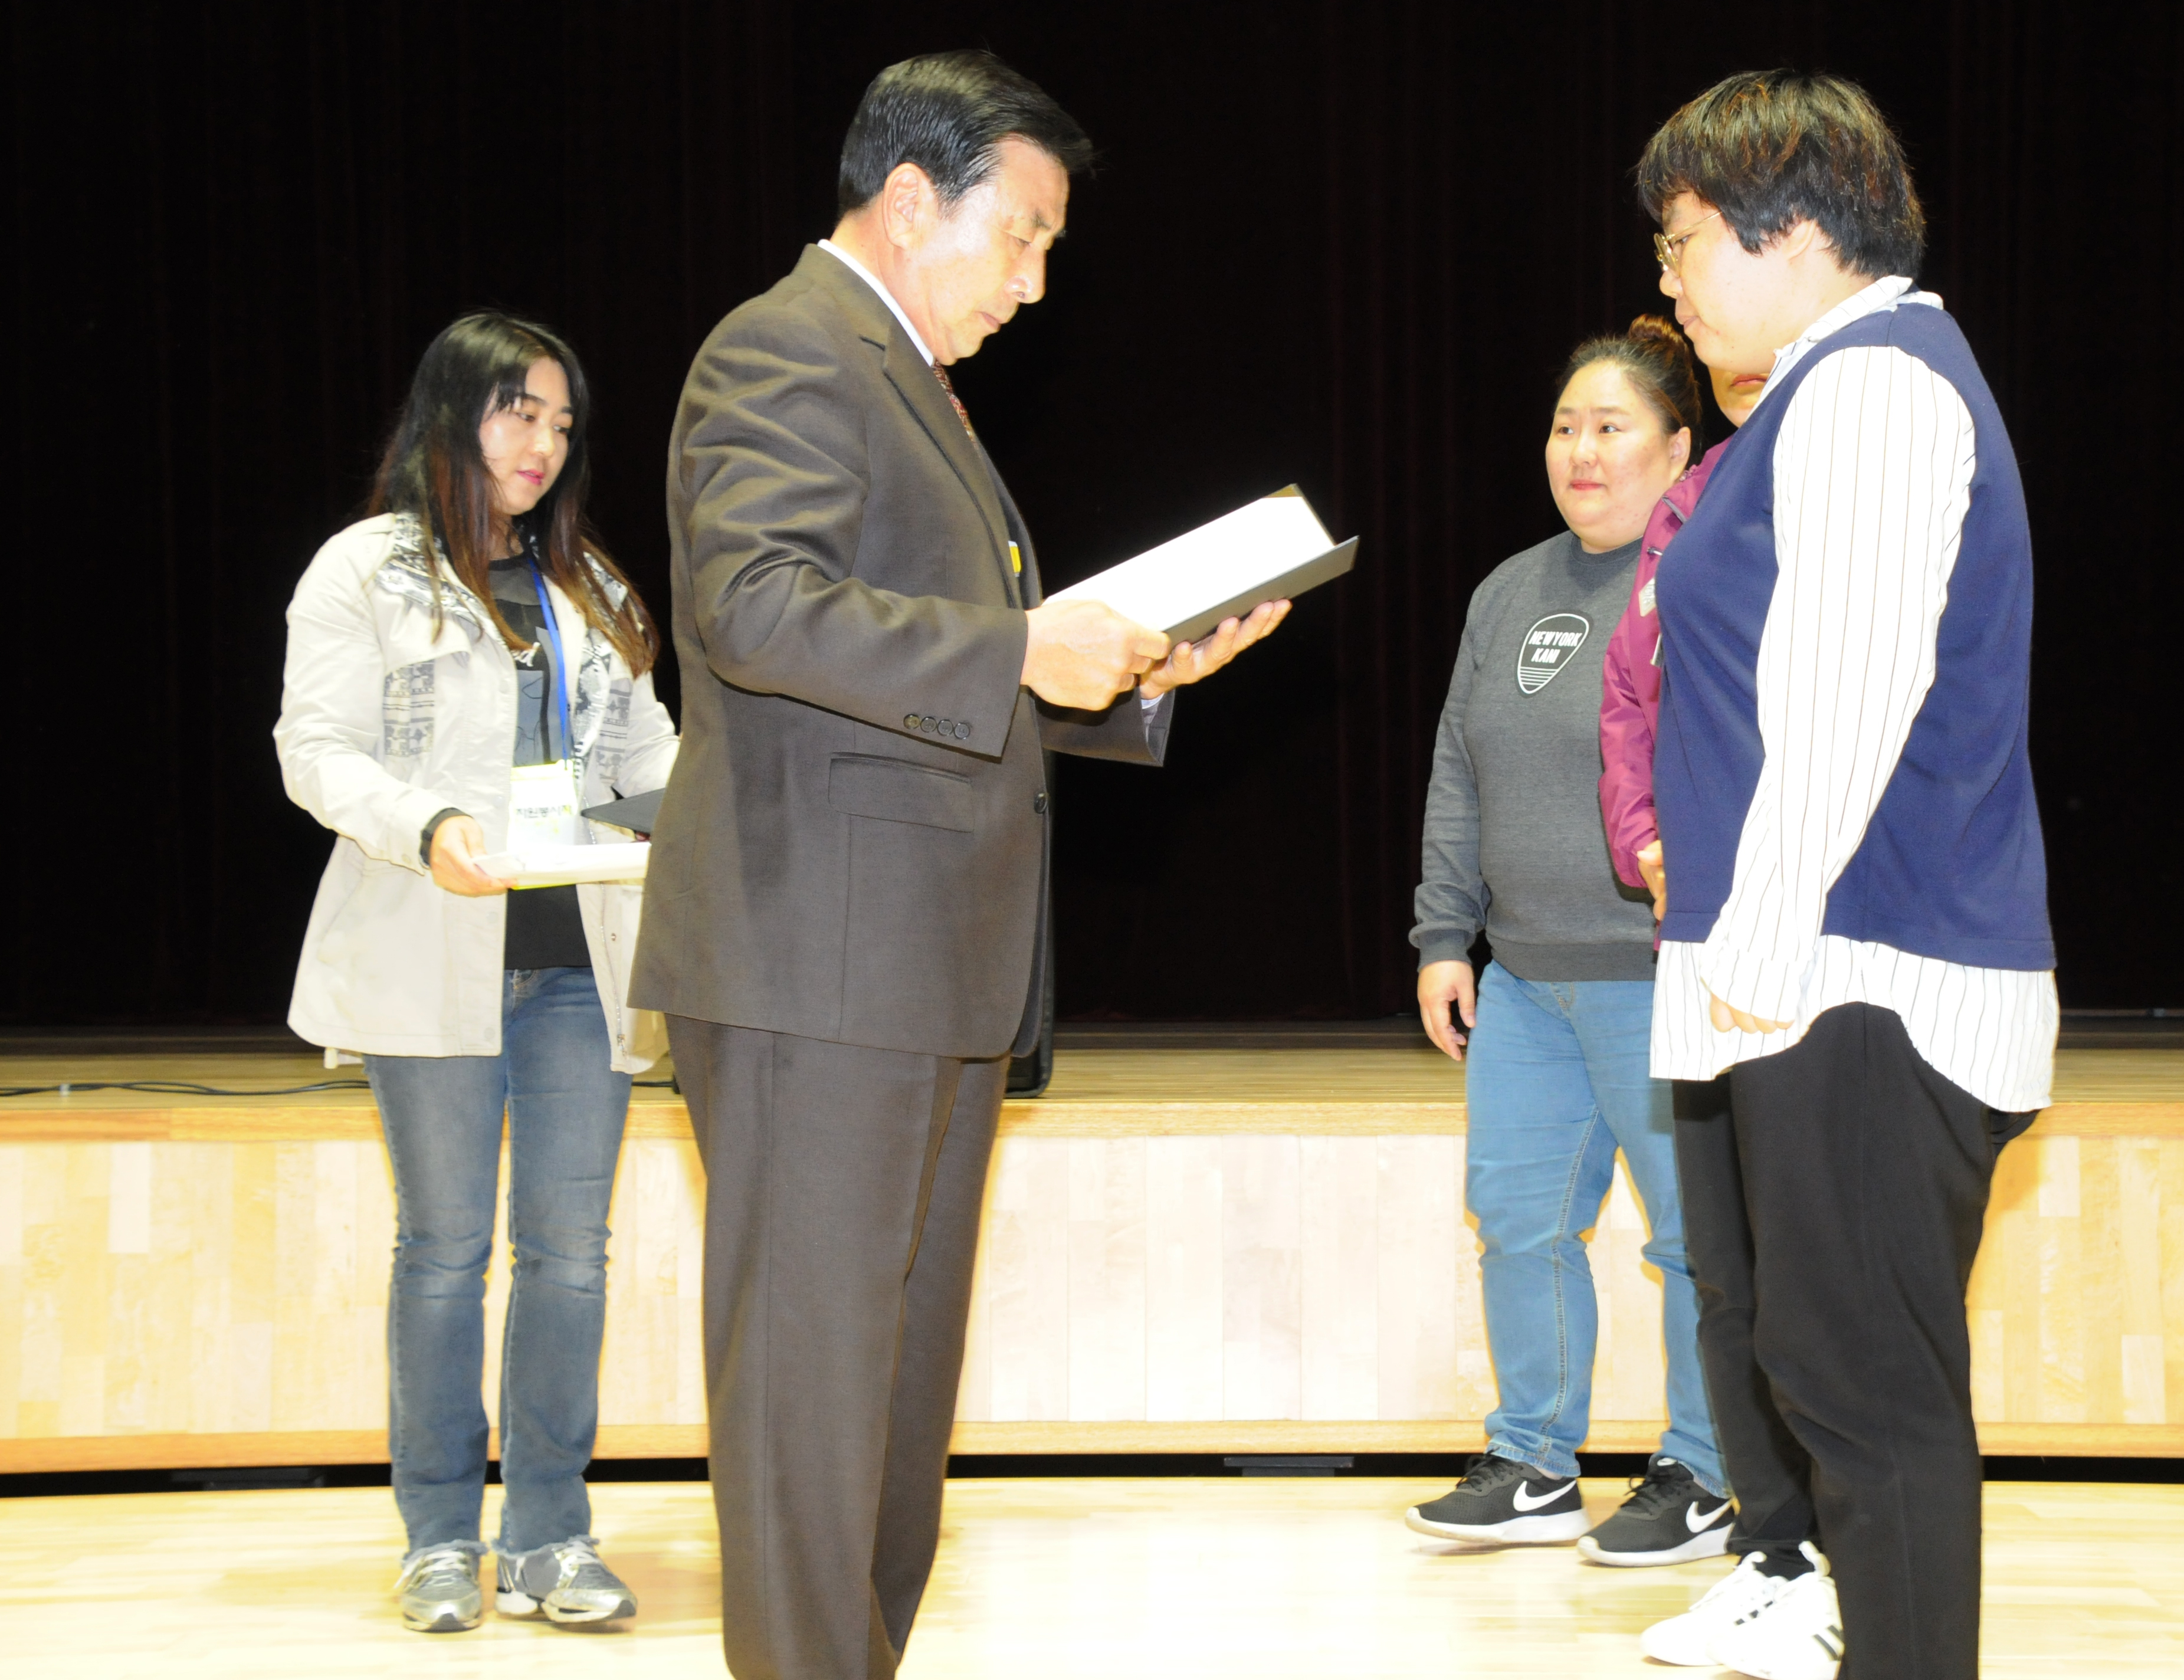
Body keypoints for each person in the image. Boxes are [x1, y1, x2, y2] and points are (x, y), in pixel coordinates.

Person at [629, 51, 1287, 1680]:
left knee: (891, 1401)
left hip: (913, 967)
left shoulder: (905, 379)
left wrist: (1128, 676)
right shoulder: (788, 346)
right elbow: (753, 607)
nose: (1034, 282)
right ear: (914, 199)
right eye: (1024, 236)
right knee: (811, 1400)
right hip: (815, 961)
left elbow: (922, 676)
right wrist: (1017, 647)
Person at [1624, 72, 2057, 1680]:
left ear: (1792, 229)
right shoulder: (1820, 392)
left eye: (1682, 242)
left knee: (1869, 1404)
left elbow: (1848, 689)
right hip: (1810, 969)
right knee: (1821, 1378)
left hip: (1859, 972)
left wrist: (1760, 943)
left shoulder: (1875, 385)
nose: (1667, 282)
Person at [276, 311, 677, 1635]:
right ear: (451, 415)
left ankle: (550, 1533)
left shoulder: (590, 584)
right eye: (518, 411)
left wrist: (705, 807)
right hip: (427, 949)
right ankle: (441, 1535)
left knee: (570, 1254)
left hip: (577, 964)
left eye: (561, 421)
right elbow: (314, 748)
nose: (543, 442)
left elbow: (648, 757)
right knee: (443, 1251)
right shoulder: (365, 569)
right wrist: (426, 824)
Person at [1405, 317, 1734, 1567]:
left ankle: (1704, 1471)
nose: (1579, 450)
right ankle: (1533, 1462)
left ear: (1678, 448)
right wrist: (1443, 933)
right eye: (1563, 425)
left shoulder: (1704, 586)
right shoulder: (1506, 591)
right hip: (1523, 982)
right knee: (1519, 1224)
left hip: (1657, 977)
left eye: (1610, 426)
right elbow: (1457, 770)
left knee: (1692, 1240)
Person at [1600, 362, 1763, 918]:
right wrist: (1646, 842)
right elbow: (1628, 685)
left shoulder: (1855, 478)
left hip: (1817, 884)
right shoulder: (1681, 505)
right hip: (1697, 891)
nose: (1742, 360)